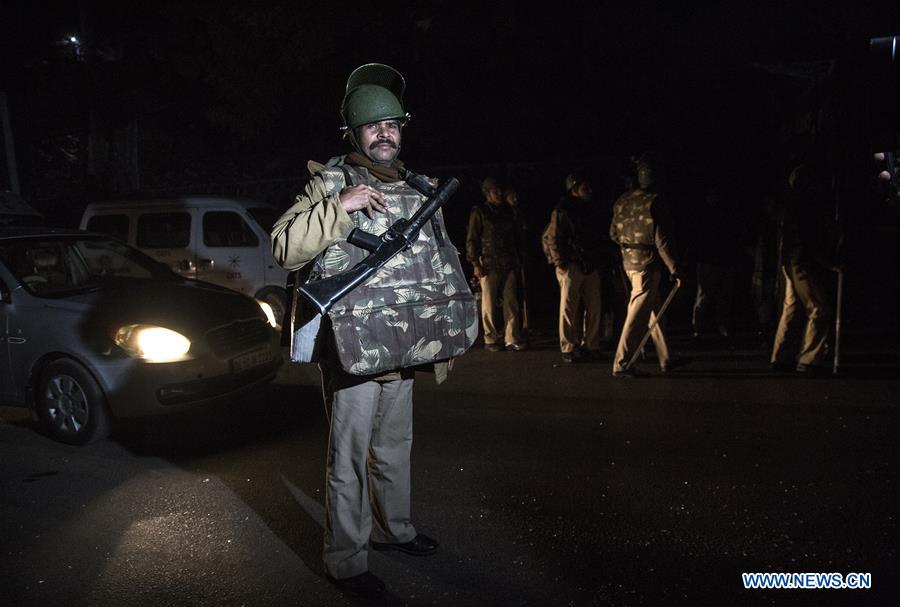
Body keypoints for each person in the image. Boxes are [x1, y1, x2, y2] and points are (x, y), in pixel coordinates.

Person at [271, 63, 478, 598]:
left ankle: (396, 530)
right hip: (355, 348)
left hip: (407, 342)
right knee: (348, 458)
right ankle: (345, 561)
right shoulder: (330, 183)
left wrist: (444, 338)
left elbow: (437, 268)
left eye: (392, 124)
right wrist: (341, 207)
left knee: (394, 447)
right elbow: (283, 247)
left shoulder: (420, 188)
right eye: (372, 126)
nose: (384, 132)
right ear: (354, 134)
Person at [609, 159, 684, 377]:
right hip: (647, 264)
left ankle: (666, 357)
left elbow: (613, 234)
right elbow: (663, 240)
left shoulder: (622, 200)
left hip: (628, 262)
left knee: (653, 310)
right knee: (637, 313)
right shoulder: (655, 202)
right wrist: (675, 269)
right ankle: (622, 363)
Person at [770, 164, 835, 374]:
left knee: (792, 307)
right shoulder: (806, 206)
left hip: (790, 261)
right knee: (818, 307)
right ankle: (809, 358)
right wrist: (827, 260)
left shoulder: (789, 205)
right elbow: (809, 240)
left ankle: (781, 356)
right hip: (802, 261)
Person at [544, 171, 604, 363]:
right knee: (569, 307)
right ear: (574, 190)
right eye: (584, 187)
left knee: (594, 306)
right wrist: (560, 262)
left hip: (590, 262)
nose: (589, 191)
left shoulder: (591, 209)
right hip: (571, 263)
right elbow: (552, 237)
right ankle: (568, 347)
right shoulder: (563, 210)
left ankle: (591, 344)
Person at [466, 177, 526, 351]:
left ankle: (511, 337)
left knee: (511, 302)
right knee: (489, 303)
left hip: (508, 262)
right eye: (494, 191)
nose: (498, 194)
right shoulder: (480, 212)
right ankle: (490, 338)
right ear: (487, 193)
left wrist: (518, 258)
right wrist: (475, 263)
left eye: (499, 191)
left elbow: (516, 236)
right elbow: (472, 239)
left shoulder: (508, 211)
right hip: (488, 264)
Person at [691, 184, 739, 339]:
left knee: (723, 296)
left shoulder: (726, 215)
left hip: (722, 260)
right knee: (704, 296)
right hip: (708, 260)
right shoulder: (705, 216)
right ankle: (698, 328)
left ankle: (718, 325)